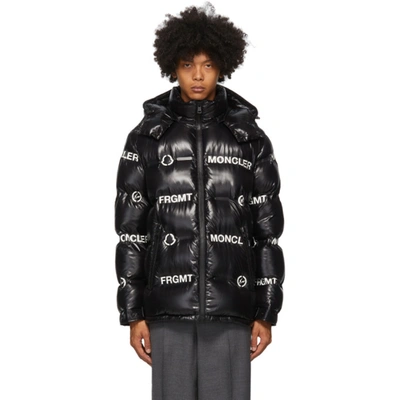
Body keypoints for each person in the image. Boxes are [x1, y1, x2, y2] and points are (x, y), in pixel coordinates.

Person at [114, 3, 285, 399]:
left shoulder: (250, 139)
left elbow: (267, 233)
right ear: (172, 66)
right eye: (188, 64)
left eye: (208, 65)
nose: (197, 75)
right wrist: (133, 314)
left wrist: (266, 311)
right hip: (166, 307)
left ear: (222, 66)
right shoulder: (146, 138)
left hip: (232, 307)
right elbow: (131, 233)